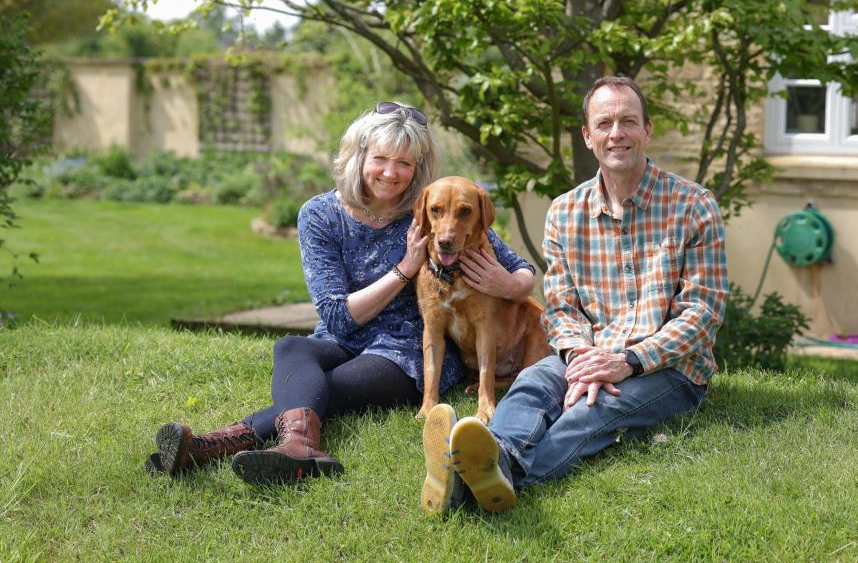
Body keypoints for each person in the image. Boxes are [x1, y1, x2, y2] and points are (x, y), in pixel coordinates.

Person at [145, 102, 537, 484]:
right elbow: (337, 317)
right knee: (290, 349)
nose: (392, 173)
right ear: (358, 156)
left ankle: (207, 446)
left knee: (324, 389)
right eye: (382, 159)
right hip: (342, 335)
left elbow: (522, 270)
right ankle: (297, 448)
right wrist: (405, 269)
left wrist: (507, 284)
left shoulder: (431, 210)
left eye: (405, 163)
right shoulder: (321, 215)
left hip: (403, 351)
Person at [421, 76, 729, 513]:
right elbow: (561, 307)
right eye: (604, 124)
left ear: (647, 130)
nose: (616, 134)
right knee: (530, 385)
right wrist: (582, 357)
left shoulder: (694, 206)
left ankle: (485, 480)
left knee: (592, 412)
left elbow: (703, 313)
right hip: (585, 353)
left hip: (669, 367)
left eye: (628, 122)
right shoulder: (565, 212)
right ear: (588, 136)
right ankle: (493, 456)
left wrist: (627, 362)